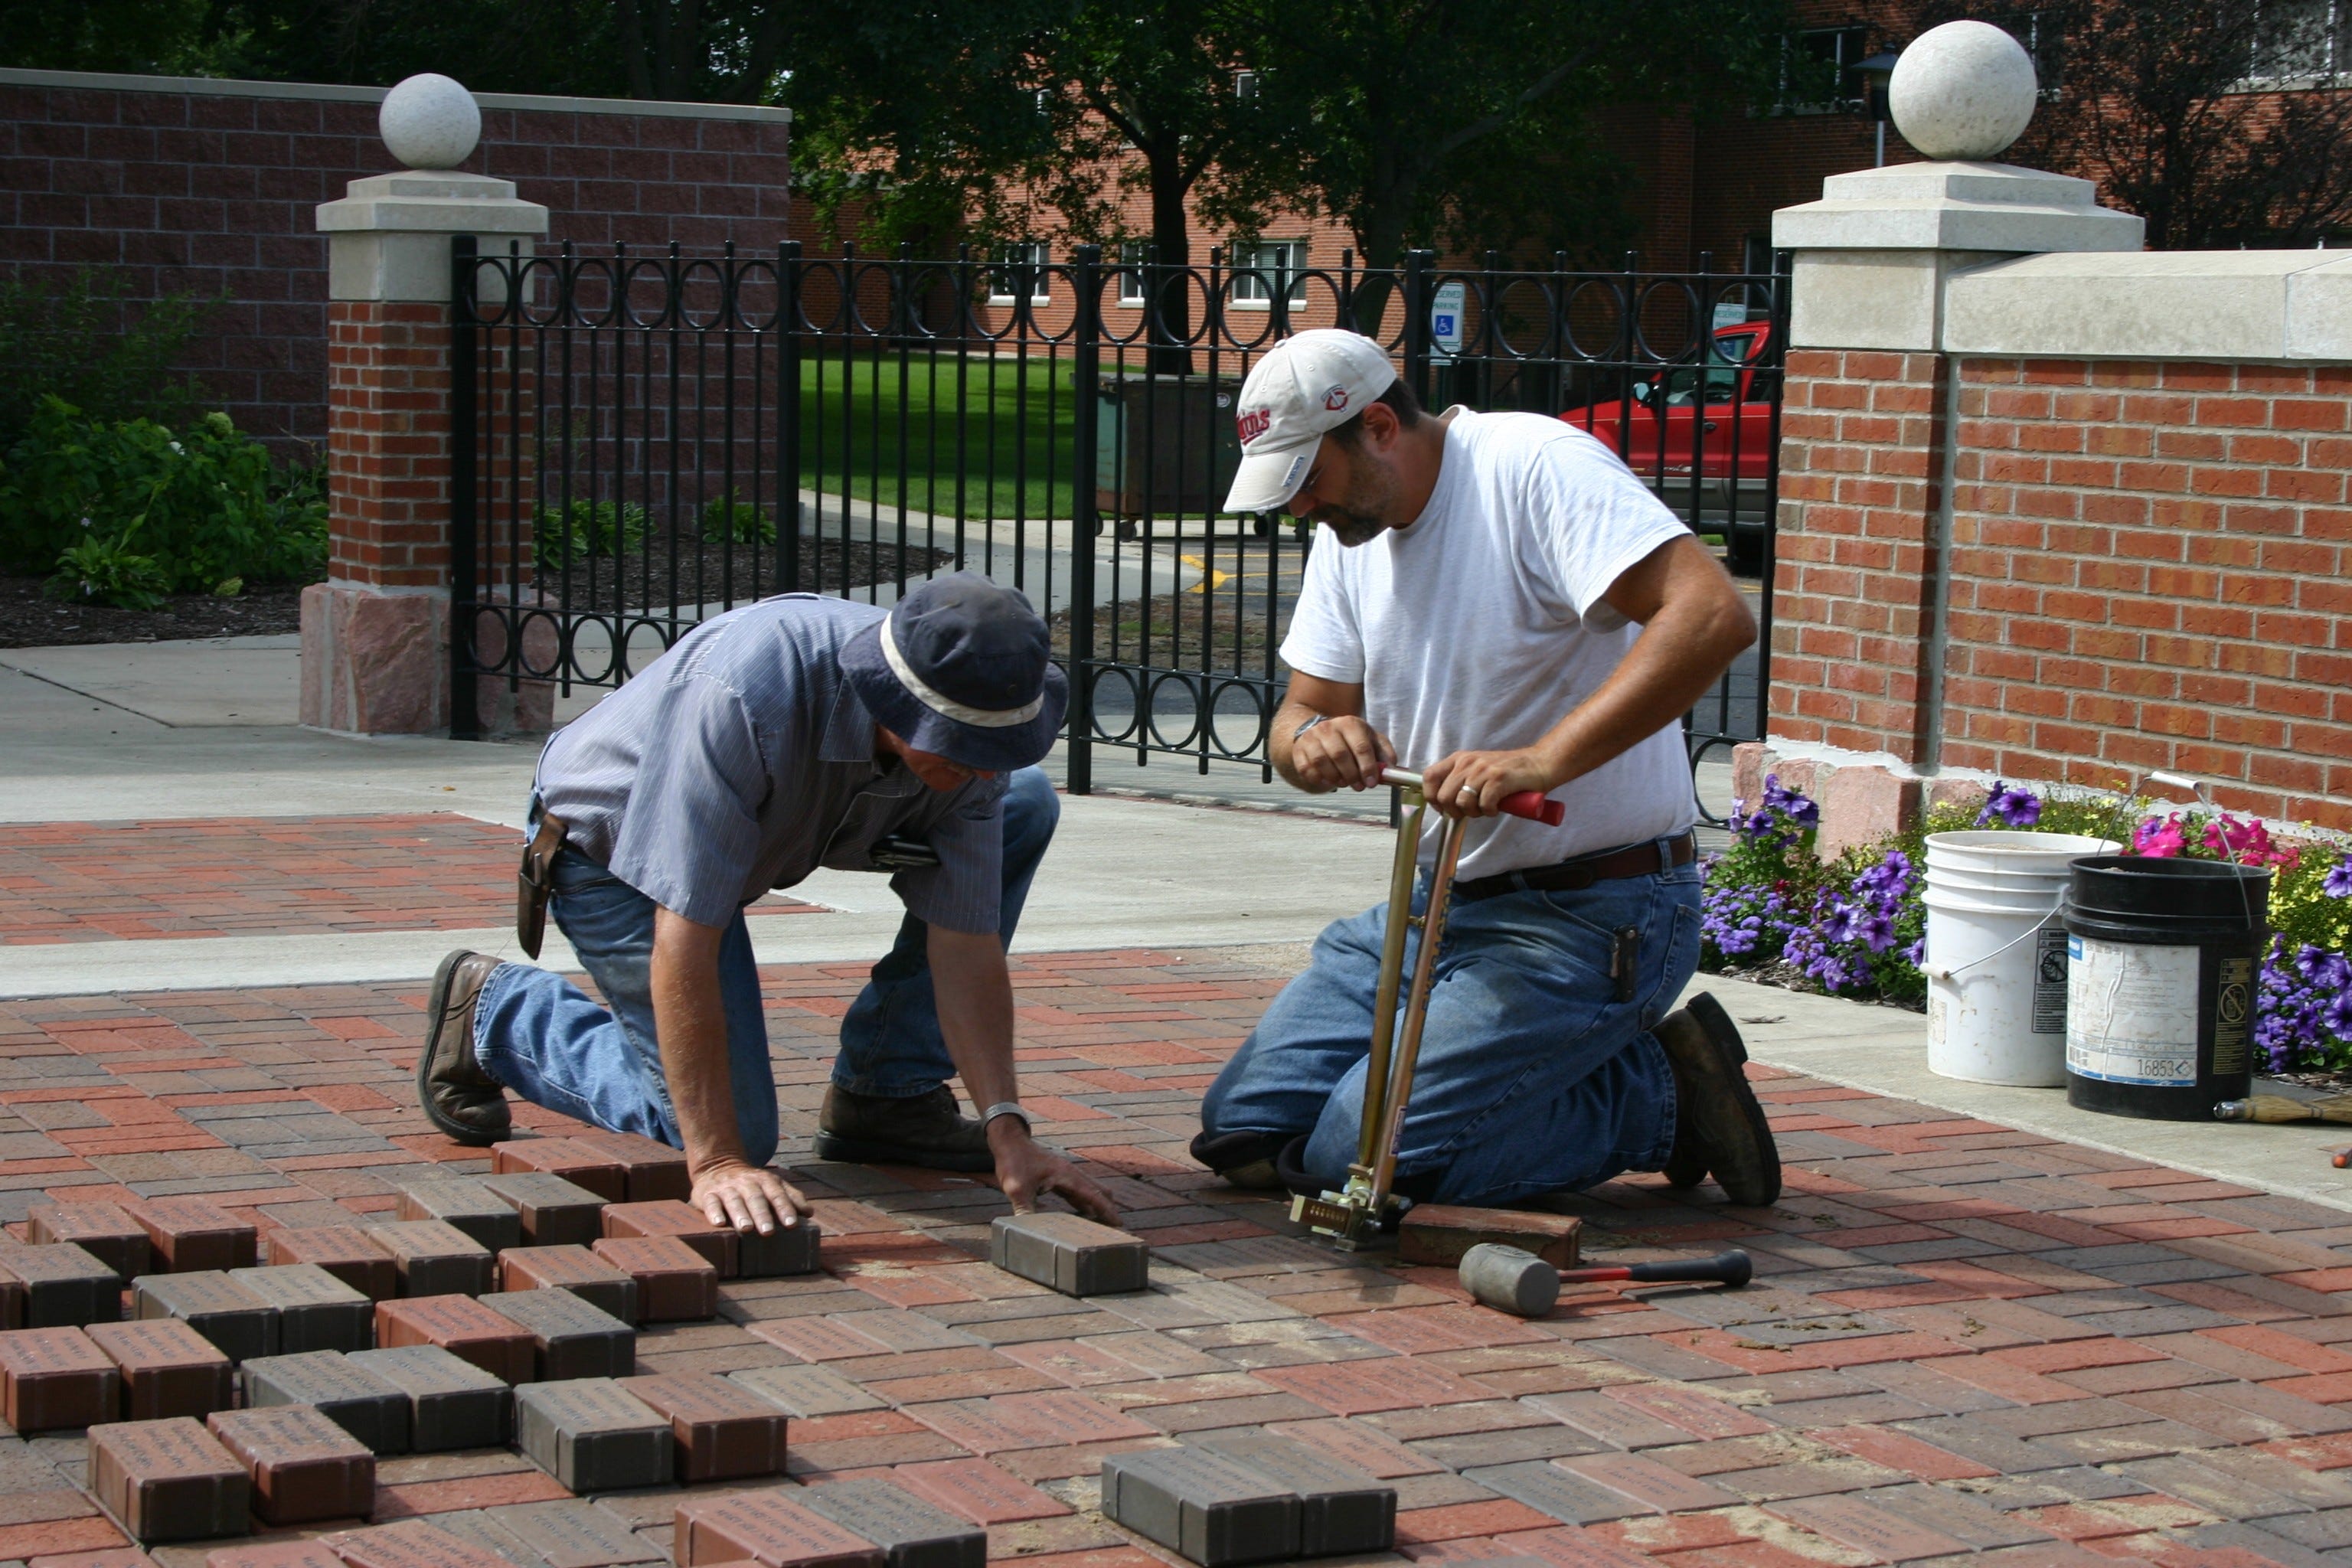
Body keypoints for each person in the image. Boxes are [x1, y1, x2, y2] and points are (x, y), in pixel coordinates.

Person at [1191, 329, 1782, 1210]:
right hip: (1440, 902)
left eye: (1308, 479)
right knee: (1242, 1134)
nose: (1299, 507)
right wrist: (1308, 742)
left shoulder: (1533, 466)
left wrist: (1542, 761)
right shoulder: (1348, 536)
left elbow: (1711, 615)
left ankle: (1660, 1095)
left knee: (1362, 1163)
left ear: (1380, 426)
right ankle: (1465, 1084)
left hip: (1594, 912)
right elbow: (1301, 713)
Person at [416, 573, 1118, 1236]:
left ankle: (888, 1097)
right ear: (894, 700)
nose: (983, 769)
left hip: (784, 821)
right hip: (612, 849)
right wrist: (716, 1161)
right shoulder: (743, 693)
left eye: (999, 745)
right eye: (964, 750)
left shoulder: (972, 719)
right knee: (733, 1130)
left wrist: (1008, 1131)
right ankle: (496, 1011)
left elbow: (965, 943)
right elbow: (685, 935)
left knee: (1023, 801)